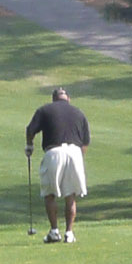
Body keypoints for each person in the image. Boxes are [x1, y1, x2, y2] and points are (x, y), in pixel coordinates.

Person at [25, 87, 90, 244]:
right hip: (75, 152)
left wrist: (29, 146)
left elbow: (30, 130)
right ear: (68, 99)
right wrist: (79, 160)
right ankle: (69, 233)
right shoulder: (79, 113)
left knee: (50, 194)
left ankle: (54, 231)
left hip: (53, 152)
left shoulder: (44, 110)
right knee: (71, 195)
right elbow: (85, 142)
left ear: (53, 99)